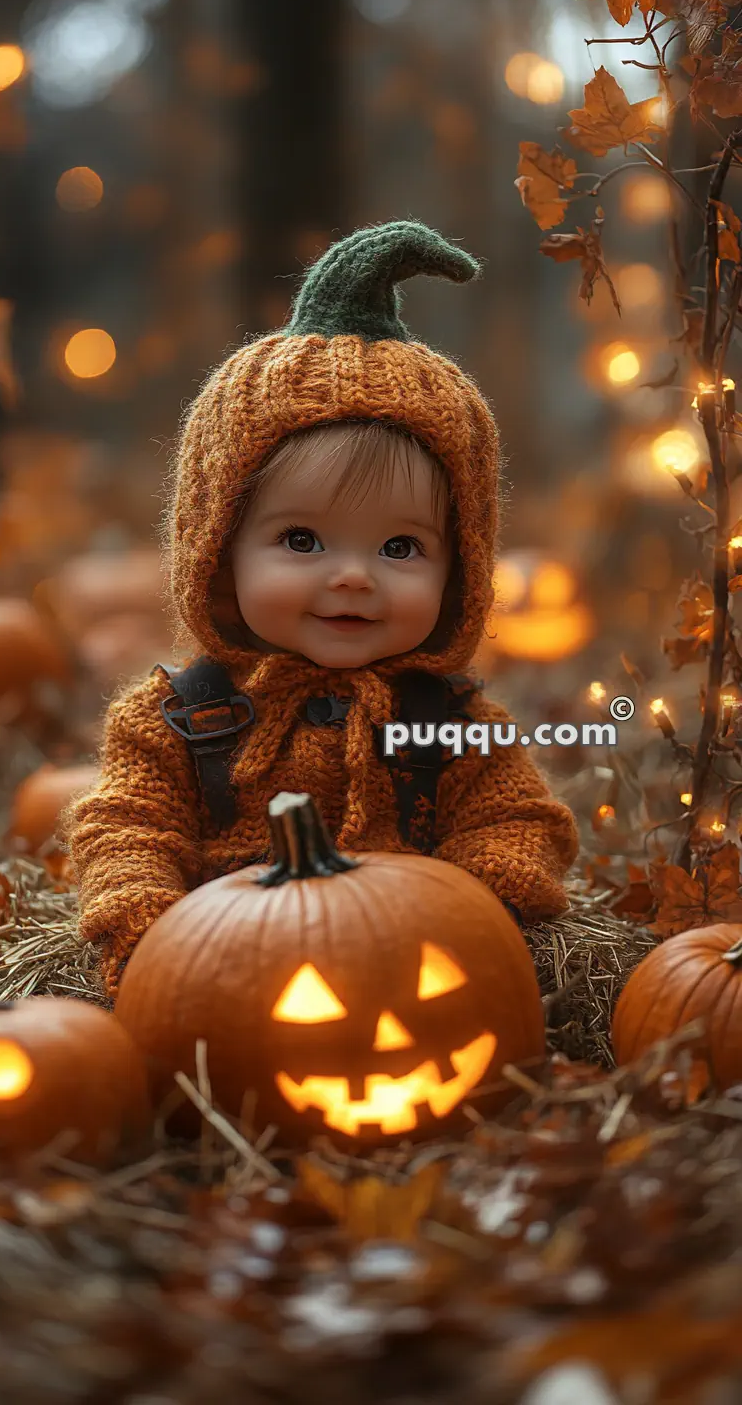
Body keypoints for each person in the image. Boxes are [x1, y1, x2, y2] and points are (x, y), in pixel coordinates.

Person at [63, 219, 579, 998]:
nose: (352, 578)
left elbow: (515, 821)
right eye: (302, 540)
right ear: (218, 548)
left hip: (405, 975)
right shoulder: (176, 720)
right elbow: (127, 826)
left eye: (399, 549)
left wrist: (485, 907)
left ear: (460, 568)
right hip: (227, 983)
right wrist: (147, 925)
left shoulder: (453, 723)